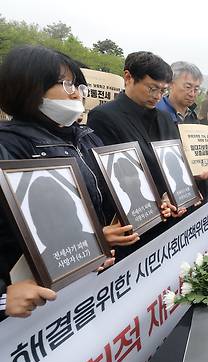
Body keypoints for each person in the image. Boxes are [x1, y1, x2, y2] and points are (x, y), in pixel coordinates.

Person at [0, 46, 125, 318]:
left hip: (84, 285)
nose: (76, 93)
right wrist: (2, 296)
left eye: (79, 85)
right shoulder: (7, 147)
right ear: (28, 86)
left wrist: (97, 241)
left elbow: (105, 198)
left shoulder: (85, 136)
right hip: (30, 308)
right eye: (67, 83)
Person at [87, 51, 187, 258]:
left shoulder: (165, 118)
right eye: (152, 88)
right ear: (128, 77)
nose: (158, 96)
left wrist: (176, 194)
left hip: (169, 214)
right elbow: (113, 174)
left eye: (163, 90)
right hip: (134, 219)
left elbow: (173, 161)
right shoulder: (104, 116)